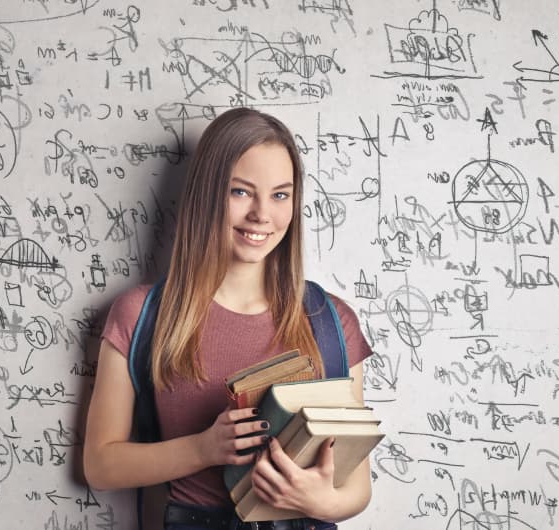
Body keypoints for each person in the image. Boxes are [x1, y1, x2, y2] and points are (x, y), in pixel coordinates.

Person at [82, 107, 374, 530]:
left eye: (279, 194)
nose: (261, 214)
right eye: (241, 192)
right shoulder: (141, 315)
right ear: (207, 193)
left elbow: (358, 490)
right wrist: (203, 449)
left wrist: (319, 501)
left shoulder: (331, 321)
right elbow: (100, 465)